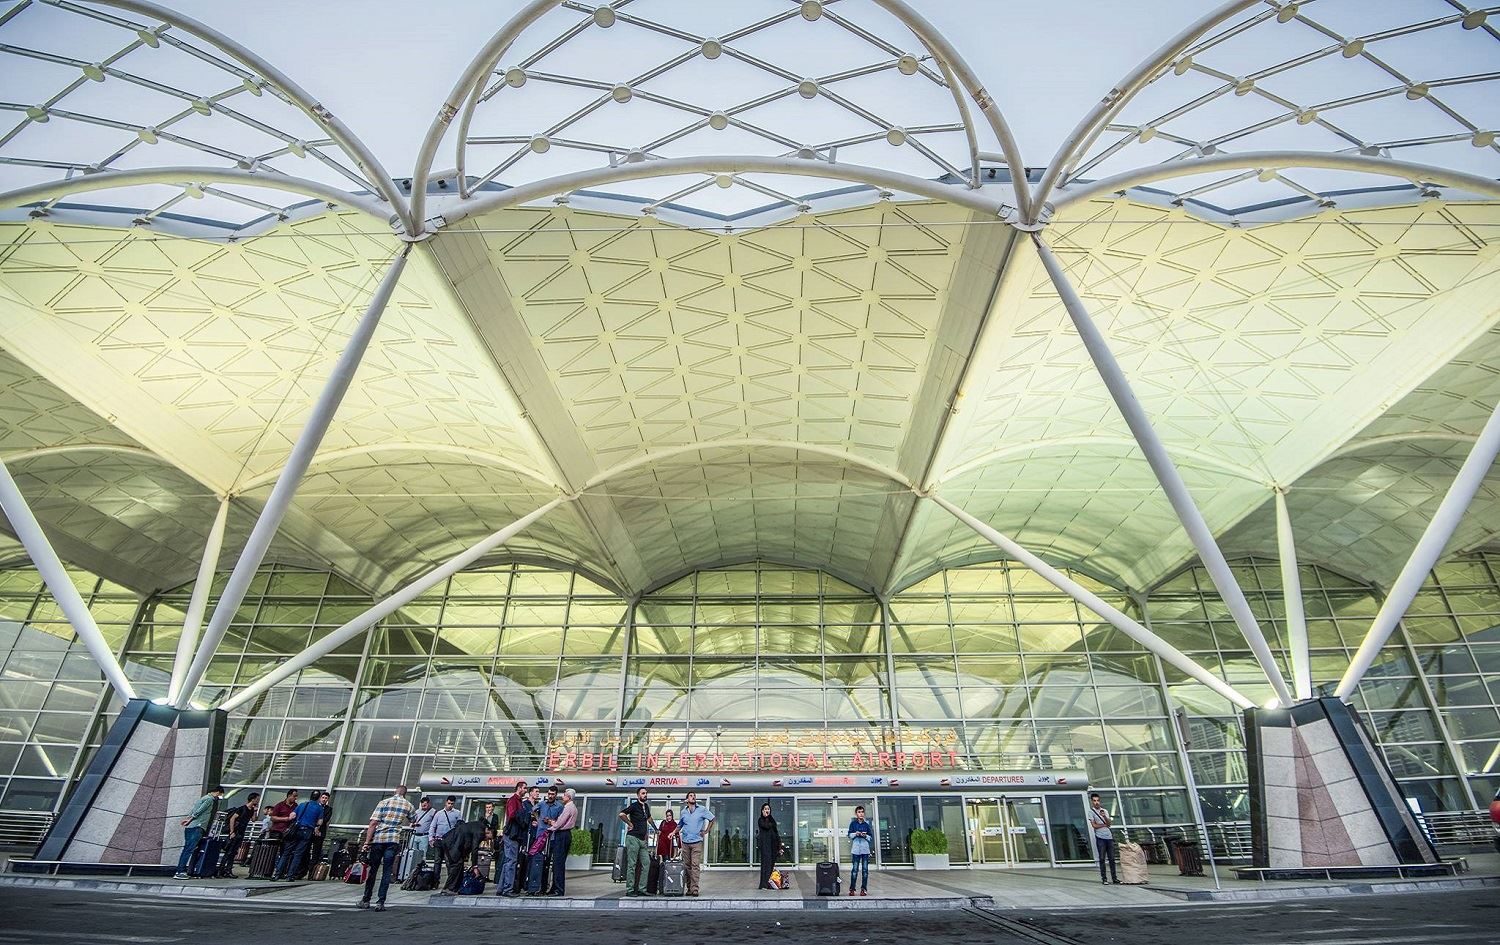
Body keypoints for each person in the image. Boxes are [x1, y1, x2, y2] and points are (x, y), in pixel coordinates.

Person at [357, 784, 414, 911]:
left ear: (395, 791)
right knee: (387, 871)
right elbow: (413, 819)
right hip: (393, 840)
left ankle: (366, 899)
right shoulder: (408, 805)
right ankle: (380, 902)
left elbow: (373, 823)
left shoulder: (384, 802)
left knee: (373, 869)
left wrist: (367, 842)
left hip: (379, 839)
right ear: (405, 793)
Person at [273, 790, 328, 881]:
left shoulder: (302, 805)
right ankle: (290, 876)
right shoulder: (319, 808)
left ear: (310, 796)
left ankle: (277, 874)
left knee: (286, 853)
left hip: (296, 830)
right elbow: (320, 822)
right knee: (298, 854)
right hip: (307, 831)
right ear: (318, 798)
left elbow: (292, 815)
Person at [173, 785, 224, 879]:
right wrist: (190, 819)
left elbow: (194, 810)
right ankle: (180, 871)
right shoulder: (209, 799)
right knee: (188, 849)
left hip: (191, 827)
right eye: (220, 795)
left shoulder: (203, 798)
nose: (219, 797)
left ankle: (181, 870)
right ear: (218, 792)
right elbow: (199, 811)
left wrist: (188, 819)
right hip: (197, 826)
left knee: (187, 849)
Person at [436, 818, 493, 895]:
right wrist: (475, 866)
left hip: (450, 843)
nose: (486, 840)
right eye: (488, 838)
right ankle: (448, 888)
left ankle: (453, 888)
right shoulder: (480, 831)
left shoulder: (476, 826)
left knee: (457, 866)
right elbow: (474, 848)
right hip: (453, 845)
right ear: (489, 831)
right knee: (456, 866)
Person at [676, 791, 715, 898]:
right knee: (687, 866)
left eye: (694, 796)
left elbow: (712, 819)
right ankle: (689, 888)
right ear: (687, 799)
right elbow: (680, 825)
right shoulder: (683, 812)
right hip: (685, 842)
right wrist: (672, 832)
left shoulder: (701, 809)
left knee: (695, 865)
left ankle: (695, 889)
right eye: (691, 796)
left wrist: (706, 831)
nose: (693, 797)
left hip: (697, 842)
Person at [618, 787, 651, 897]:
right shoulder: (634, 806)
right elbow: (621, 814)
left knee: (646, 863)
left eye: (646, 793)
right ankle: (630, 889)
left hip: (642, 840)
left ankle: (642, 889)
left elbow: (649, 818)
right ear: (638, 795)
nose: (645, 795)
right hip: (633, 838)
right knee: (632, 864)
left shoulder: (646, 807)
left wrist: (656, 829)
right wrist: (629, 823)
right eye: (643, 793)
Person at [220, 791, 259, 877]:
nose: (258, 801)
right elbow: (232, 819)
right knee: (229, 851)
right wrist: (232, 831)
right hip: (236, 831)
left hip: (242, 832)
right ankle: (221, 870)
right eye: (257, 799)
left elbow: (253, 820)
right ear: (252, 799)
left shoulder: (251, 810)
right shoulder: (242, 808)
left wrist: (255, 811)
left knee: (234, 852)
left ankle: (228, 870)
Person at [548, 788, 579, 896]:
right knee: (558, 863)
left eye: (564, 795)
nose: (562, 797)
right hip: (566, 834)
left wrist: (551, 827)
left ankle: (558, 889)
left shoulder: (568, 808)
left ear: (569, 797)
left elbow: (560, 822)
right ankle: (555, 888)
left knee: (558, 863)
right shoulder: (573, 807)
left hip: (562, 835)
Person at [497, 794, 529, 897]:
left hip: (513, 835)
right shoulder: (514, 800)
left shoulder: (517, 802)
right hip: (512, 835)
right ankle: (507, 889)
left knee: (508, 861)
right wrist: (523, 821)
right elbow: (512, 814)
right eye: (524, 788)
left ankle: (502, 888)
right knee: (511, 861)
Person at [298, 791, 334, 879]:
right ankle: (302, 871)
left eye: (326, 798)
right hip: (311, 831)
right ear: (320, 798)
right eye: (323, 797)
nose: (324, 799)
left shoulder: (329, 809)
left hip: (320, 833)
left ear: (328, 800)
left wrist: (318, 826)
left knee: (316, 853)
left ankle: (312, 873)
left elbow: (325, 819)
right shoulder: (315, 806)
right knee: (306, 851)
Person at [429, 795, 462, 885]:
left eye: (452, 804)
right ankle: (435, 881)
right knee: (437, 861)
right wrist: (431, 838)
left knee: (449, 861)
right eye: (449, 803)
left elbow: (460, 827)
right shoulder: (439, 813)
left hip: (450, 841)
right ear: (446, 803)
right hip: (439, 839)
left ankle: (450, 882)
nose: (450, 805)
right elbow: (433, 826)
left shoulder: (457, 813)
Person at [1088, 793, 1120, 885]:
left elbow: (1109, 823)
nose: (1096, 802)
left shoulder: (1104, 811)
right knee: (1102, 858)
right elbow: (1094, 825)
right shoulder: (1091, 812)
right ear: (1092, 801)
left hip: (1109, 837)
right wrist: (1104, 825)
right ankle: (1104, 879)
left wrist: (1104, 816)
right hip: (1100, 838)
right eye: (1094, 801)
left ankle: (1114, 878)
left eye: (1098, 800)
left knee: (1112, 859)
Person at [847, 805, 873, 897]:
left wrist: (865, 836)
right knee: (854, 870)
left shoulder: (866, 825)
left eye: (862, 812)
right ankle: (852, 889)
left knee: (865, 870)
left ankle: (863, 889)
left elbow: (870, 837)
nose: (861, 814)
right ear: (856, 813)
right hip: (855, 850)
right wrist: (856, 834)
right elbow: (849, 835)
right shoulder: (853, 824)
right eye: (859, 812)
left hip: (865, 850)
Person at [756, 803, 780, 889]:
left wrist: (779, 846)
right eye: (765, 809)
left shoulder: (772, 820)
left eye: (768, 809)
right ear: (762, 811)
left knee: (771, 865)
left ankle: (770, 883)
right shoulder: (761, 820)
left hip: (773, 846)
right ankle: (763, 884)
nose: (767, 810)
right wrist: (766, 817)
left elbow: (776, 833)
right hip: (765, 846)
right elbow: (766, 826)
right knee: (765, 865)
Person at [410, 795, 435, 863]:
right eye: (422, 805)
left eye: (425, 805)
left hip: (424, 836)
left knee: (422, 854)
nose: (423, 806)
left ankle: (421, 866)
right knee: (412, 853)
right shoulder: (417, 811)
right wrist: (413, 824)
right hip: (414, 835)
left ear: (429, 804)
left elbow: (434, 824)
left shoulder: (433, 812)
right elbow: (412, 821)